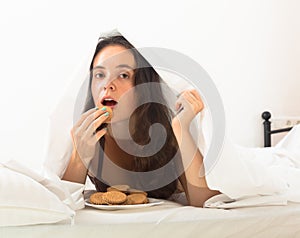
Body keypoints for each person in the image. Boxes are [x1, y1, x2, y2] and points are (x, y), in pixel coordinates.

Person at [62, 33, 219, 207]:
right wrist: (79, 157)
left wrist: (181, 127)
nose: (108, 84)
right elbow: (63, 206)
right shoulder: (85, 137)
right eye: (99, 74)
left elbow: (206, 202)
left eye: (123, 75)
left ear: (143, 86)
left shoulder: (166, 134)